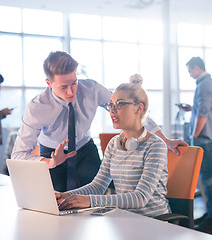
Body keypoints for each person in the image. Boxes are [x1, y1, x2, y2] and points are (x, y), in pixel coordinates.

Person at [12, 51, 185, 192]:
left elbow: (130, 108)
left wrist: (165, 140)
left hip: (84, 148)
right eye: (64, 87)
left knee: (94, 197)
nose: (71, 91)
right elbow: (18, 155)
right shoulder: (36, 108)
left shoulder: (91, 89)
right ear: (49, 83)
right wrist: (49, 162)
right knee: (56, 202)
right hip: (52, 154)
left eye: (74, 82)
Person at [56, 82, 170, 217]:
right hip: (124, 219)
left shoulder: (156, 146)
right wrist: (66, 195)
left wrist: (90, 201)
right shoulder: (114, 144)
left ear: (139, 108)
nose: (113, 110)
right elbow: (98, 186)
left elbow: (140, 198)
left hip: (154, 221)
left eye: (120, 104)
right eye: (111, 105)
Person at [178, 57, 212, 231]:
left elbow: (203, 113)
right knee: (205, 177)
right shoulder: (207, 83)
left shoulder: (204, 85)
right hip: (207, 136)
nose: (190, 75)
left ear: (197, 68)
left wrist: (194, 136)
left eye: (190, 71)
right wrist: (191, 108)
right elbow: (203, 108)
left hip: (203, 137)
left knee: (207, 177)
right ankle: (211, 213)